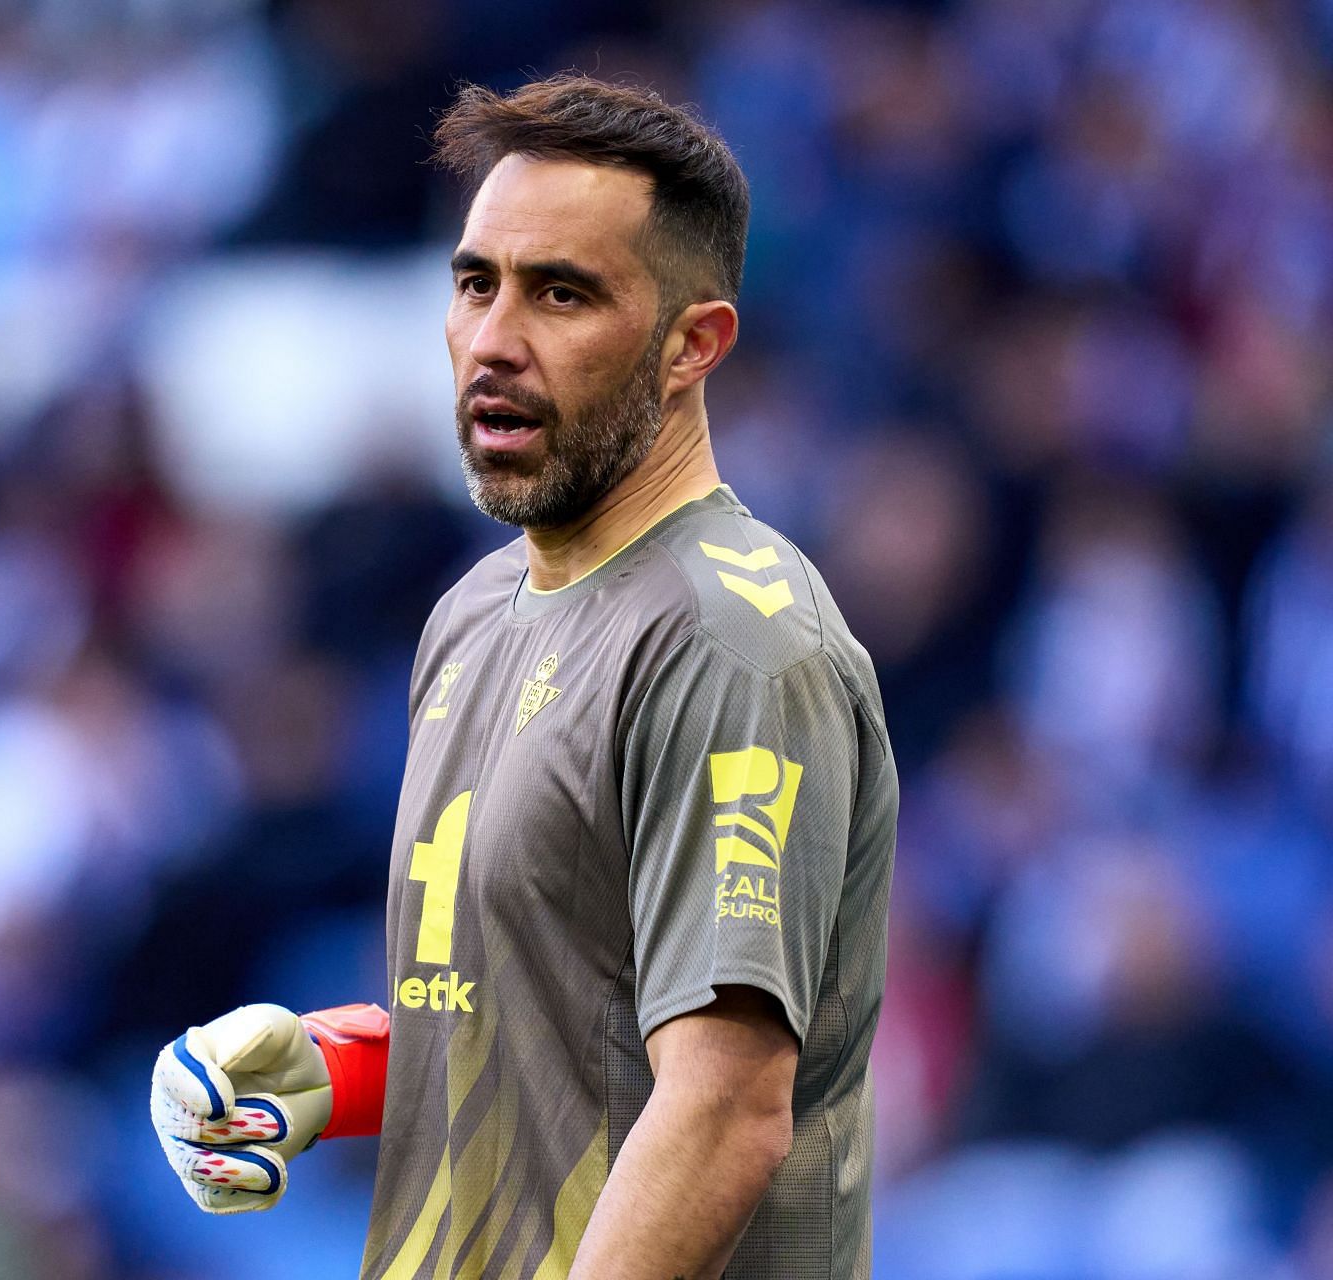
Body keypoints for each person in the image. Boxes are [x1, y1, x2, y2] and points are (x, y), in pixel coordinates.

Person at [150, 73, 897, 1280]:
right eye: (473, 282)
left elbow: (723, 1107)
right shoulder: (476, 615)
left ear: (691, 346)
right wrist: (331, 1069)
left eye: (563, 293)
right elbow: (548, 1025)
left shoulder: (733, 643)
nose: (494, 339)